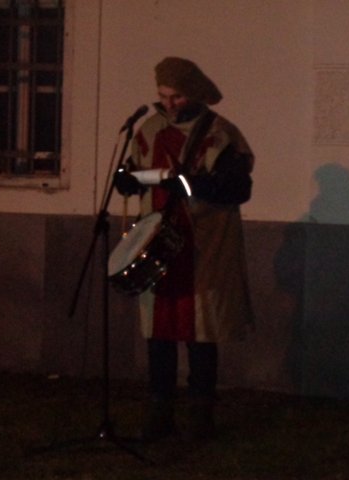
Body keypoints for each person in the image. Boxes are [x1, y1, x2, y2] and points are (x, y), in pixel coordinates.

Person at [114, 56, 255, 442]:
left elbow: (237, 188)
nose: (169, 104)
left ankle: (200, 414)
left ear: (193, 93)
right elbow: (134, 166)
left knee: (199, 331)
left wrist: (189, 185)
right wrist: (127, 179)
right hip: (157, 242)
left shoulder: (221, 134)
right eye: (163, 96)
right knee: (158, 331)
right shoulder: (149, 129)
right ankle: (159, 412)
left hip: (201, 247)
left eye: (176, 96)